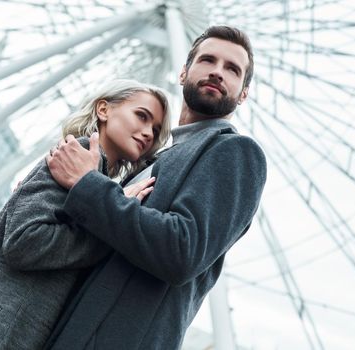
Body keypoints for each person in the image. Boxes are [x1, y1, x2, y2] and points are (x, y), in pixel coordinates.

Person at [0, 79, 171, 350]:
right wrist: (110, 230)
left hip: (14, 326)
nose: (148, 132)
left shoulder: (96, 179)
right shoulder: (72, 157)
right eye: (141, 116)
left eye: (155, 129)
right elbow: (24, 242)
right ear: (103, 109)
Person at [45, 26, 267, 349]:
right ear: (183, 73)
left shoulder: (235, 152)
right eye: (208, 60)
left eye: (232, 69)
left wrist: (87, 185)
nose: (218, 72)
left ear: (243, 93)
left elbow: (182, 250)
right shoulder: (155, 159)